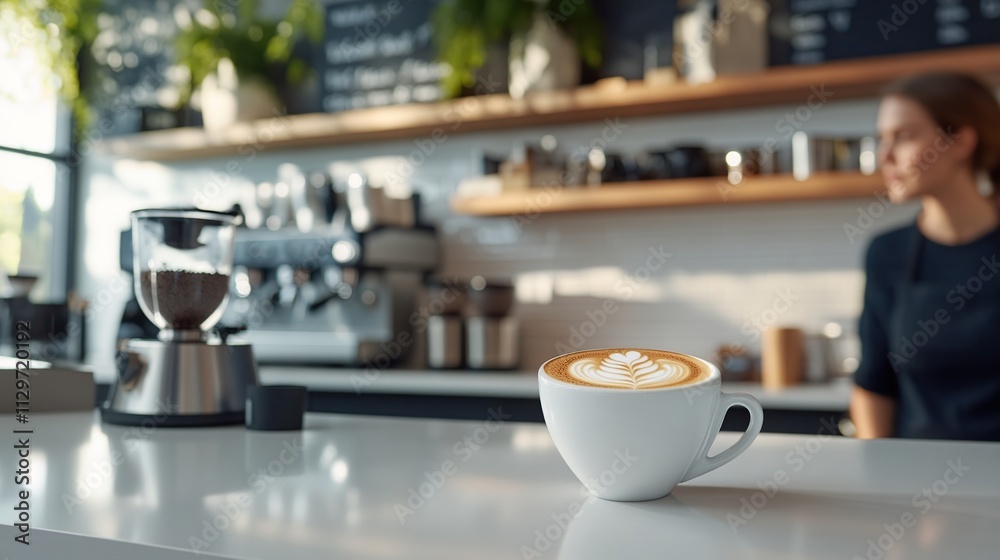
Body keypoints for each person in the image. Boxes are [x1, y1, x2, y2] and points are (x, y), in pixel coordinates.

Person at [851, 72, 1000, 441]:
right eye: (882, 139)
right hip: (916, 485)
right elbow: (873, 385)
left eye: (903, 136)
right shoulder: (887, 253)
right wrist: (878, 475)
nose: (884, 156)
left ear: (961, 141)